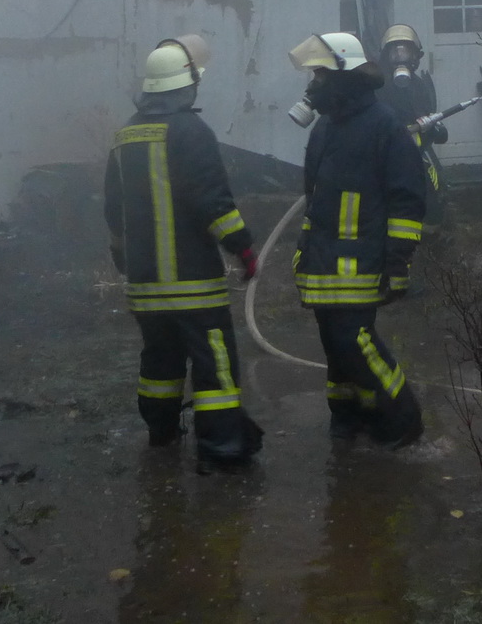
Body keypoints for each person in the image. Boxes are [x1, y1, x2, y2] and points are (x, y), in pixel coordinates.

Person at [103, 34, 263, 469]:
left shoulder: (124, 136)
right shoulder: (191, 132)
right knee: (214, 365)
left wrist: (122, 256)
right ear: (187, 85)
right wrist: (242, 248)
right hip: (193, 286)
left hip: (145, 286)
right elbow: (213, 202)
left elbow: (113, 210)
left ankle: (162, 433)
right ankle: (222, 448)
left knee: (160, 362)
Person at [288, 31, 427, 447]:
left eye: (320, 75)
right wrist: (304, 251)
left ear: (345, 75)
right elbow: (314, 198)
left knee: (356, 341)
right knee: (336, 347)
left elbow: (407, 200)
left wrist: (397, 261)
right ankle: (350, 415)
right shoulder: (324, 128)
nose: (314, 84)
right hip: (322, 263)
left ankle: (402, 419)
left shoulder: (384, 125)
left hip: (361, 262)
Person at [377, 23, 448, 222]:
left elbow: (426, 116)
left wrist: (435, 129)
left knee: (433, 198)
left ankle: (431, 235)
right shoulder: (378, 86)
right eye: (395, 53)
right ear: (386, 56)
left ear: (415, 56)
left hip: (416, 158)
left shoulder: (419, 85)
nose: (400, 57)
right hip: (384, 160)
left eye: (405, 52)